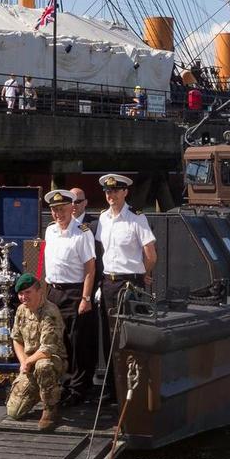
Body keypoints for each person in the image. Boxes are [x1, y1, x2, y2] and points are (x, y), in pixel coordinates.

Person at [95, 173, 156, 400]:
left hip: (129, 283)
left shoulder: (137, 219)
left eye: (115, 191)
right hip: (108, 282)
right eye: (108, 191)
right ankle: (112, 389)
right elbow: (104, 252)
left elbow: (151, 254)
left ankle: (133, 388)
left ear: (125, 192)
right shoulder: (103, 219)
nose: (111, 195)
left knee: (128, 336)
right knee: (109, 338)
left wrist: (144, 275)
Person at [42, 189, 97, 406]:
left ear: (71, 208)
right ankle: (63, 385)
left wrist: (86, 297)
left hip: (75, 292)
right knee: (59, 341)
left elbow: (90, 269)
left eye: (62, 209)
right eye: (55, 210)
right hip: (54, 292)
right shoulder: (50, 231)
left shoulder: (82, 232)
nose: (58, 214)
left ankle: (79, 389)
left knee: (78, 343)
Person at [6, 273, 66, 431]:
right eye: (20, 293)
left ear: (40, 292)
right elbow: (16, 339)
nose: (23, 297)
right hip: (29, 362)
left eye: (28, 292)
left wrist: (28, 362)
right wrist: (23, 362)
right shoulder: (21, 310)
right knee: (14, 412)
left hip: (52, 360)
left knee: (43, 366)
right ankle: (37, 391)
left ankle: (50, 409)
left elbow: (47, 349)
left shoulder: (50, 312)